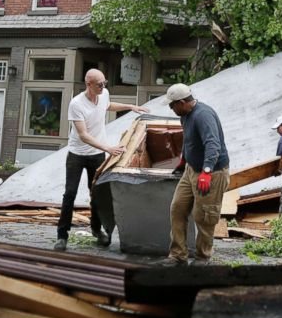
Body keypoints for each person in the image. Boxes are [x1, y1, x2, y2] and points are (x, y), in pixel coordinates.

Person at [54, 69, 149, 251]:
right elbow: (83, 135)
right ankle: (62, 236)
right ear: (88, 84)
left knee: (96, 194)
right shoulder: (76, 104)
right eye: (99, 84)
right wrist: (108, 148)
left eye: (104, 83)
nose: (103, 86)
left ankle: (97, 231)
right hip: (77, 154)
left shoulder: (103, 93)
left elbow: (108, 105)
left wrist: (130, 107)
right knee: (70, 194)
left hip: (96, 155)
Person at [165, 83, 230, 266]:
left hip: (212, 172)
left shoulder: (203, 115)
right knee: (177, 208)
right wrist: (184, 160)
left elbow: (213, 144)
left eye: (172, 105)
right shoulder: (184, 115)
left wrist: (207, 171)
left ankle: (203, 257)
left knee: (204, 216)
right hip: (192, 169)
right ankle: (178, 255)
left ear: (183, 102)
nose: (171, 109)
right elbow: (188, 139)